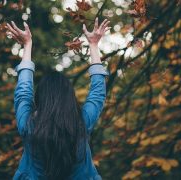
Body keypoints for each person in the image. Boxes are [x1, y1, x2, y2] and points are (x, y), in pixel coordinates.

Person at [7, 17, 110, 180]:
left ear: (40, 99)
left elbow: (23, 92)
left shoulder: (28, 126)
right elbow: (98, 93)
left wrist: (27, 46)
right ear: (70, 98)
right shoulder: (81, 124)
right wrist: (93, 45)